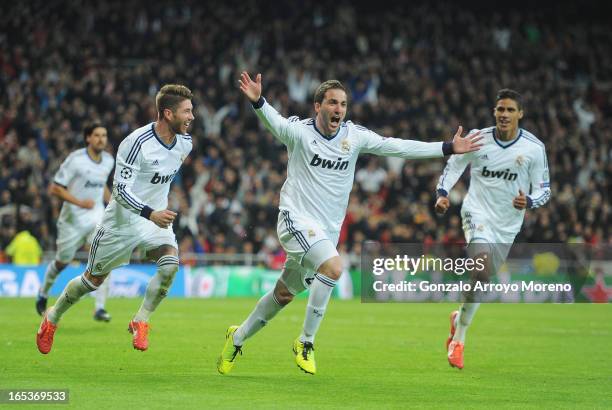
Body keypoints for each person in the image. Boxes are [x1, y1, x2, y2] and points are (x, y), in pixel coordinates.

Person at [217, 72, 483, 375]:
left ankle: (236, 338)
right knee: (333, 268)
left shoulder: (354, 137)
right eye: (332, 103)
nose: (338, 109)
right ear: (318, 106)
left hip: (325, 232)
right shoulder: (299, 132)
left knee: (284, 294)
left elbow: (398, 146)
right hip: (295, 219)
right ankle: (305, 342)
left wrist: (447, 147)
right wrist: (258, 101)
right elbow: (275, 123)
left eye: (343, 104)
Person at [36, 84, 195, 354]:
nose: (192, 117)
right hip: (121, 223)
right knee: (91, 281)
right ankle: (52, 318)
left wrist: (157, 212)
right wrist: (150, 213)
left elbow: (159, 181)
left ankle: (140, 320)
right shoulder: (136, 143)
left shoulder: (185, 143)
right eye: (187, 111)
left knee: (169, 267)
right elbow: (120, 192)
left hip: (154, 222)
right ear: (168, 113)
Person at [435, 89, 551, 370]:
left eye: (510, 110)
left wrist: (530, 201)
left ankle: (457, 320)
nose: (504, 115)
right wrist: (442, 192)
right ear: (494, 112)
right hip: (477, 213)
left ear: (520, 114)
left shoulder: (534, 149)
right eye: (500, 109)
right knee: (482, 268)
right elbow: (454, 166)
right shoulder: (478, 139)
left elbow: (544, 190)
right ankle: (459, 340)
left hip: (508, 224)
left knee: (481, 280)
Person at [36, 124, 115, 322]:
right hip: (71, 221)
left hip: (96, 217)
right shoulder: (75, 160)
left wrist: (113, 203)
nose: (101, 139)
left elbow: (101, 184)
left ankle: (99, 308)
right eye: (96, 135)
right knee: (61, 262)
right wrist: (80, 202)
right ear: (88, 138)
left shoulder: (108, 160)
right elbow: (55, 188)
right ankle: (43, 293)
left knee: (104, 258)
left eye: (104, 135)